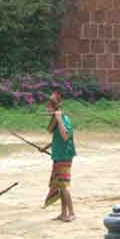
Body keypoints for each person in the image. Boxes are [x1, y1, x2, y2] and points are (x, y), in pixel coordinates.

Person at [41, 92, 76, 222]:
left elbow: (66, 136)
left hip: (65, 156)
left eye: (48, 107)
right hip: (58, 155)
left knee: (63, 185)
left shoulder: (64, 120)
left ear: (54, 107)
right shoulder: (55, 121)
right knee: (60, 185)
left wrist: (60, 119)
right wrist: (45, 147)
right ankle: (63, 213)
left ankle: (72, 213)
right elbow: (57, 138)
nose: (47, 110)